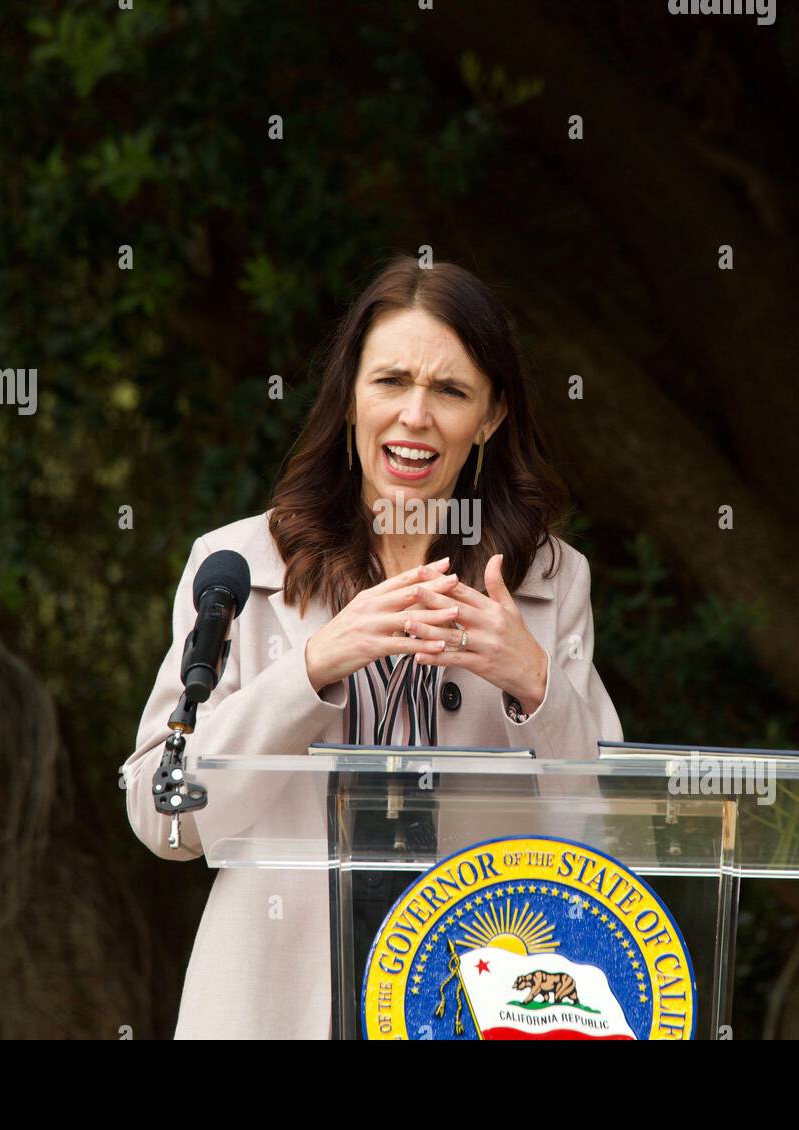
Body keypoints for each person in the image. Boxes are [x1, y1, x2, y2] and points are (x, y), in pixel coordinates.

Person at [121, 254, 623, 1038]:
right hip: (274, 1007)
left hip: (476, 1005)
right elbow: (164, 817)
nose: (415, 416)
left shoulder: (549, 580)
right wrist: (310, 669)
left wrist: (538, 687)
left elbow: (605, 839)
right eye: (391, 381)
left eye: (450, 391)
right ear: (351, 395)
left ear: (490, 417)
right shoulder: (238, 567)